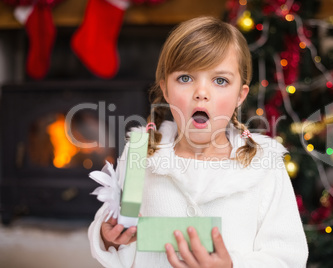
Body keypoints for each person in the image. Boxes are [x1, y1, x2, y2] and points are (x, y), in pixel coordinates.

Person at [88, 16, 308, 267]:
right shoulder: (140, 154)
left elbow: (288, 257)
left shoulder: (264, 165)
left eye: (220, 80)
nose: (201, 93)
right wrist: (109, 239)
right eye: (185, 78)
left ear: (240, 95)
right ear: (166, 90)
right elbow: (112, 225)